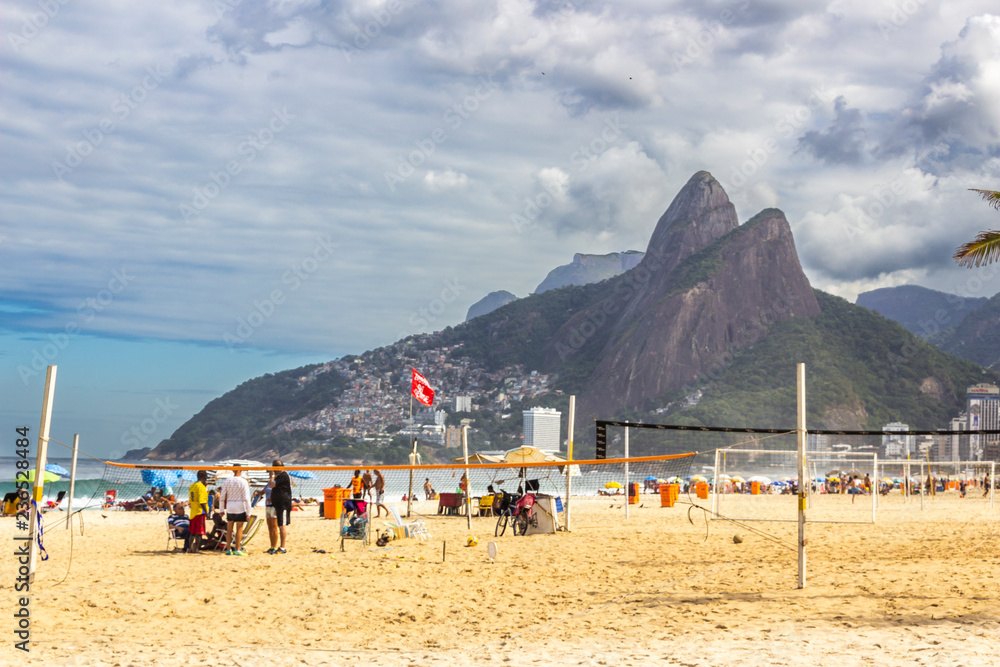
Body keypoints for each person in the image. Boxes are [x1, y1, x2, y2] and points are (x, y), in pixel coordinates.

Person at [219, 465, 252, 556]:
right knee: (239, 529)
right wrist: (249, 512)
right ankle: (237, 549)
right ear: (240, 470)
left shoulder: (227, 480)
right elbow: (247, 498)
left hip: (230, 505)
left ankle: (228, 549)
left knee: (229, 529)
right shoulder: (243, 481)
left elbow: (222, 496)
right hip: (239, 506)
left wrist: (221, 509)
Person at [270, 459, 293, 554]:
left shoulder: (283, 475)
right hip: (279, 504)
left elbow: (271, 485)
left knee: (282, 525)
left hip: (283, 504)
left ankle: (283, 547)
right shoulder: (279, 476)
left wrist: (271, 476)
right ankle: (280, 547)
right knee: (280, 525)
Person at [188, 470, 209, 554]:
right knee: (199, 533)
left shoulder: (192, 485)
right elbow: (202, 501)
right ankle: (196, 549)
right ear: (204, 477)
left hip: (193, 512)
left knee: (192, 532)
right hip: (200, 512)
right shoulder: (201, 487)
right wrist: (207, 512)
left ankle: (190, 549)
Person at [264, 471, 278, 554]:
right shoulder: (268, 482)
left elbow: (278, 492)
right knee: (269, 527)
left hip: (274, 506)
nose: (270, 474)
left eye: (271, 472)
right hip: (267, 506)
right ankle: (272, 546)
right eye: (269, 473)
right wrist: (257, 492)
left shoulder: (276, 481)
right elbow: (264, 491)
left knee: (274, 527)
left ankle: (275, 547)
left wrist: (273, 498)